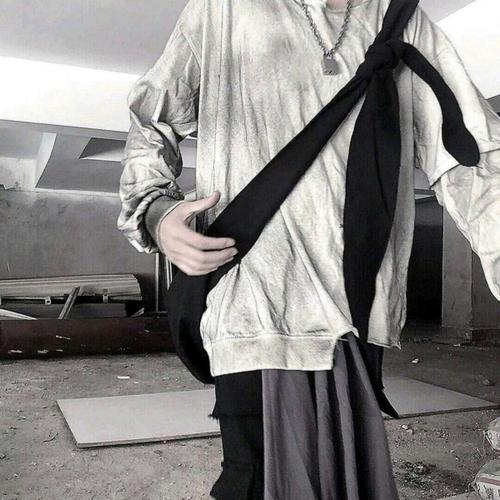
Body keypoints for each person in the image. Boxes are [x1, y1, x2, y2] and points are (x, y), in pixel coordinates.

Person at [117, 0, 500, 498]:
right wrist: (155, 210)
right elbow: (152, 116)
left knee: (348, 480)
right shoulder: (224, 9)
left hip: (354, 308)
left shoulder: (402, 20)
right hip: (251, 300)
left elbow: (475, 163)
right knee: (252, 479)